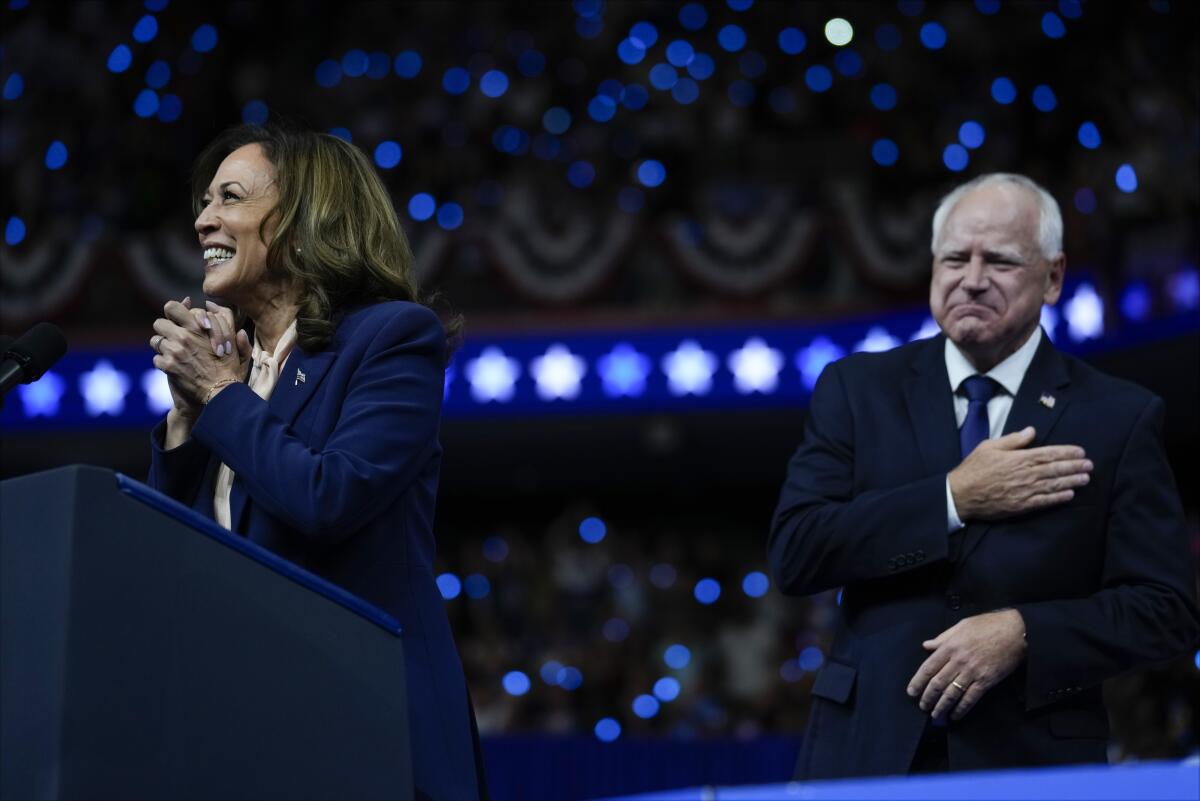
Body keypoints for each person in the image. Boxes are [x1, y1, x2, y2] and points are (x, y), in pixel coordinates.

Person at [769, 173, 1199, 777]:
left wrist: (1026, 633)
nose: (971, 279)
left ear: (1052, 277)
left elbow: (1166, 611)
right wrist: (953, 498)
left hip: (1031, 760)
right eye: (954, 259)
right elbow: (796, 551)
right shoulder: (857, 389)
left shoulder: (1119, 416)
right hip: (866, 753)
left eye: (999, 260)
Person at [146, 122, 485, 800]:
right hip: (250, 741)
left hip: (371, 730)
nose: (203, 219)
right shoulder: (232, 378)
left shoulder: (391, 338)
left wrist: (220, 396)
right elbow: (171, 566)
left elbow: (328, 497)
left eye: (230, 198)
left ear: (304, 222)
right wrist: (188, 417)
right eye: (205, 201)